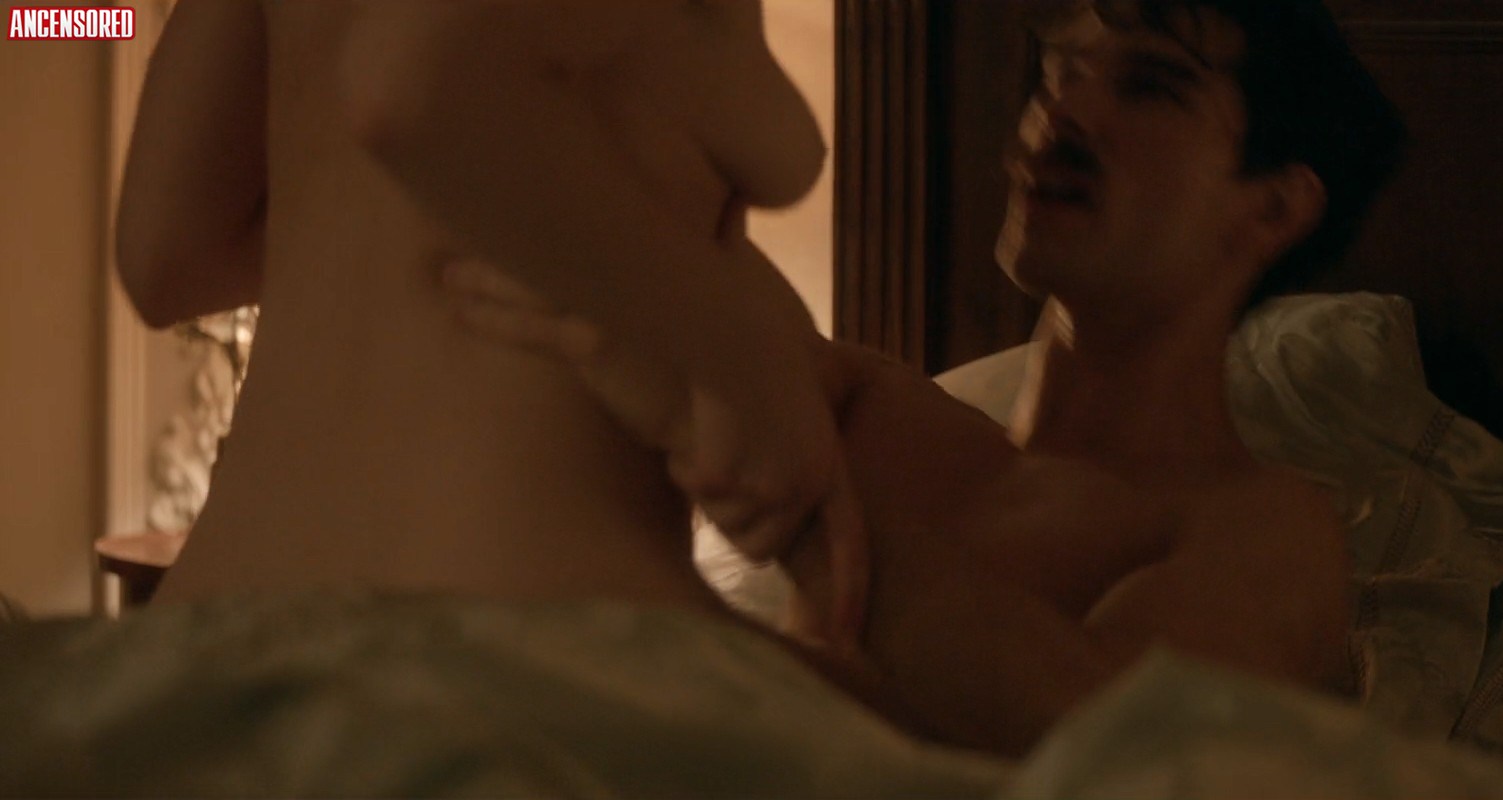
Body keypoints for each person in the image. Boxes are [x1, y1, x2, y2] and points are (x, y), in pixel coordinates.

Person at [439, 0, 1405, 755]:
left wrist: (804, 510)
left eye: (1151, 88)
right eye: (1060, 73)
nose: (1062, 113)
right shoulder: (868, 405)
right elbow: (635, 268)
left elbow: (1118, 745)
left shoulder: (1264, 527)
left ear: (1273, 210)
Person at [117, 0, 867, 645]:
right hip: (523, 652)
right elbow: (412, 83)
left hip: (217, 631)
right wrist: (735, 353)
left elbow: (168, 255)